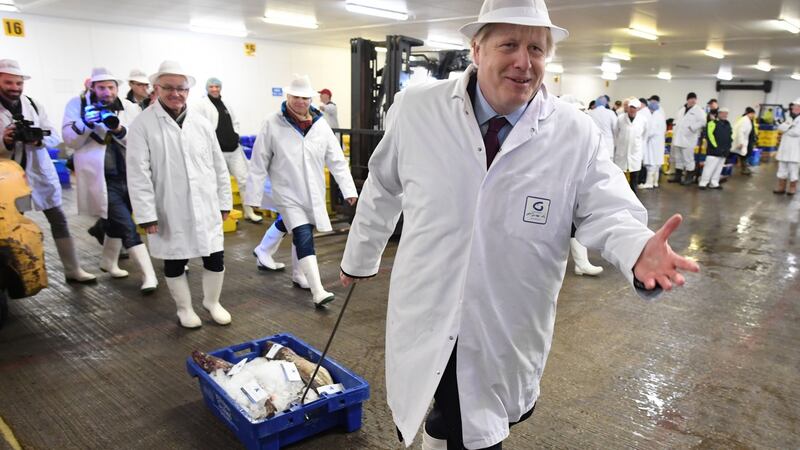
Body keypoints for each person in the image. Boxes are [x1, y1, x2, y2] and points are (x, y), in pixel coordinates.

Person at [338, 1, 700, 448]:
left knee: (477, 418)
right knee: (446, 409)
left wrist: (637, 248)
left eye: (537, 48)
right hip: (428, 298)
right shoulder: (418, 109)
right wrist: (360, 256)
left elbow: (608, 210)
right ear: (476, 49)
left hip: (505, 317)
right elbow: (382, 185)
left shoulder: (574, 132)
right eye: (508, 44)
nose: (523, 62)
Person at [127, 60, 233, 328]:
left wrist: (224, 201)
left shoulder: (201, 122)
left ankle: (212, 302)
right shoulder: (143, 124)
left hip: (206, 203)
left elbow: (219, 165)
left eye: (181, 88)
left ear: (188, 90)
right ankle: (185, 309)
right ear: (157, 88)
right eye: (169, 88)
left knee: (214, 256)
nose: (176, 93)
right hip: (168, 206)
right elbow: (138, 173)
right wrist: (146, 214)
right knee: (175, 258)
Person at [245, 75, 357, 307]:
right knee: (304, 233)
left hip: (311, 191)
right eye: (296, 97)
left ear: (311, 99)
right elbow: (259, 160)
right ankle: (318, 291)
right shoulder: (272, 123)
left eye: (305, 98)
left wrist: (349, 190)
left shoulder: (321, 125)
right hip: (285, 191)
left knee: (298, 229)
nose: (301, 102)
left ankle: (296, 273)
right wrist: (253, 196)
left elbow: (336, 160)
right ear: (287, 96)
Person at [62, 67, 158, 293]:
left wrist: (119, 128)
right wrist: (86, 123)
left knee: (117, 221)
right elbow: (69, 140)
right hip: (102, 178)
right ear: (92, 88)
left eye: (111, 87)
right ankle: (149, 275)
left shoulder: (130, 108)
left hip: (129, 174)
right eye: (102, 87)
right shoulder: (76, 106)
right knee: (127, 225)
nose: (107, 92)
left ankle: (108, 262)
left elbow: (140, 140)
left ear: (118, 88)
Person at [0, 59, 97, 284]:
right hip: (9, 181)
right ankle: (13, 276)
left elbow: (53, 135)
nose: (14, 87)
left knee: (58, 220)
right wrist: (4, 140)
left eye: (18, 83)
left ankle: (73, 269)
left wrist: (39, 139)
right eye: (8, 83)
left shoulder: (33, 105)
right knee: (12, 225)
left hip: (38, 173)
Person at [193, 77, 262, 223]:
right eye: (211, 86)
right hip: (218, 152)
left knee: (244, 180)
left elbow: (235, 121)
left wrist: (236, 135)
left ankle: (248, 212)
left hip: (234, 149)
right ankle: (225, 216)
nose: (214, 89)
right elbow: (197, 126)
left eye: (217, 86)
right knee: (221, 184)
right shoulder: (201, 105)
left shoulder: (226, 104)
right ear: (207, 88)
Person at [670, 92, 706, 185]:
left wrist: (692, 127)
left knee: (688, 159)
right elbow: (676, 121)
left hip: (689, 138)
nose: (693, 100)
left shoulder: (698, 110)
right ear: (687, 99)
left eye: (694, 98)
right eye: (691, 98)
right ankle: (678, 176)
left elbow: (703, 122)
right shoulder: (681, 109)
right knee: (678, 158)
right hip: (678, 137)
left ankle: (689, 177)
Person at [613, 98, 647, 194]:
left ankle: (633, 195)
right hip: (622, 150)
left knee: (634, 175)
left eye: (634, 108)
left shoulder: (643, 120)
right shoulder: (620, 118)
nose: (632, 110)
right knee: (620, 174)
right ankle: (620, 194)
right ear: (628, 108)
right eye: (631, 108)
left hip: (635, 151)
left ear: (638, 109)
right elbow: (616, 133)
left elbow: (644, 135)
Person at [698, 107, 733, 190]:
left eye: (726, 113)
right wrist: (715, 146)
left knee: (718, 168)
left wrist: (728, 147)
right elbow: (710, 136)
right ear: (719, 114)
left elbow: (730, 136)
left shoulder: (728, 124)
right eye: (723, 113)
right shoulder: (712, 123)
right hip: (714, 151)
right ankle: (703, 183)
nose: (725, 115)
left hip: (724, 151)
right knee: (709, 167)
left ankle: (714, 183)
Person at [774, 100, 800, 195]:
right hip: (784, 149)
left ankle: (792, 187)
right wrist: (787, 127)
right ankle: (781, 187)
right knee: (782, 169)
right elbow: (780, 128)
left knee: (793, 170)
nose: (794, 108)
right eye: (794, 107)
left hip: (795, 150)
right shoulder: (789, 118)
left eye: (797, 107)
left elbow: (797, 132)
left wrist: (785, 129)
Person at [641, 95, 666, 189]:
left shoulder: (655, 116)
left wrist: (643, 136)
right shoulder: (660, 115)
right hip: (658, 143)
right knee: (656, 164)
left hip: (653, 143)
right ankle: (655, 182)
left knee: (651, 163)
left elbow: (651, 130)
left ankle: (649, 183)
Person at [587, 95, 617, 160]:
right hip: (608, 146)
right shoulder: (610, 113)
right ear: (606, 103)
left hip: (594, 145)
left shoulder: (589, 113)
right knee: (608, 167)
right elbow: (616, 129)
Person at [731, 107, 756, 176]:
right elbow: (740, 132)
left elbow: (752, 130)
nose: (754, 116)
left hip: (747, 140)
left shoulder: (748, 120)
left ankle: (744, 169)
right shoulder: (745, 120)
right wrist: (741, 142)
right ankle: (743, 169)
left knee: (743, 154)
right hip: (741, 141)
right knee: (740, 154)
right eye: (753, 114)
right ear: (750, 113)